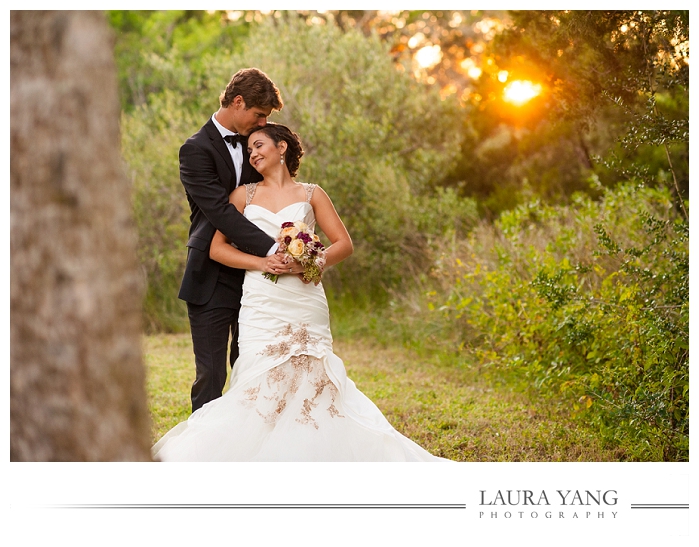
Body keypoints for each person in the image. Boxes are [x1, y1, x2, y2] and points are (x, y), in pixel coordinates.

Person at [153, 123, 447, 461]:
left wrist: (311, 261)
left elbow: (344, 244)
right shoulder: (243, 195)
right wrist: (261, 263)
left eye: (260, 145)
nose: (253, 154)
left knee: (314, 379)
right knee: (257, 378)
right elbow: (217, 249)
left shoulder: (312, 194)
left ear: (282, 148)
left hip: (305, 301)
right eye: (249, 150)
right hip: (261, 301)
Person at [178, 67, 287, 413]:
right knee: (211, 375)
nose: (261, 124)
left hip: (257, 278)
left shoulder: (256, 145)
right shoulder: (195, 150)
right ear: (238, 102)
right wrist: (272, 247)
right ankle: (202, 453)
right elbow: (221, 214)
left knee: (251, 365)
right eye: (258, 115)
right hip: (210, 274)